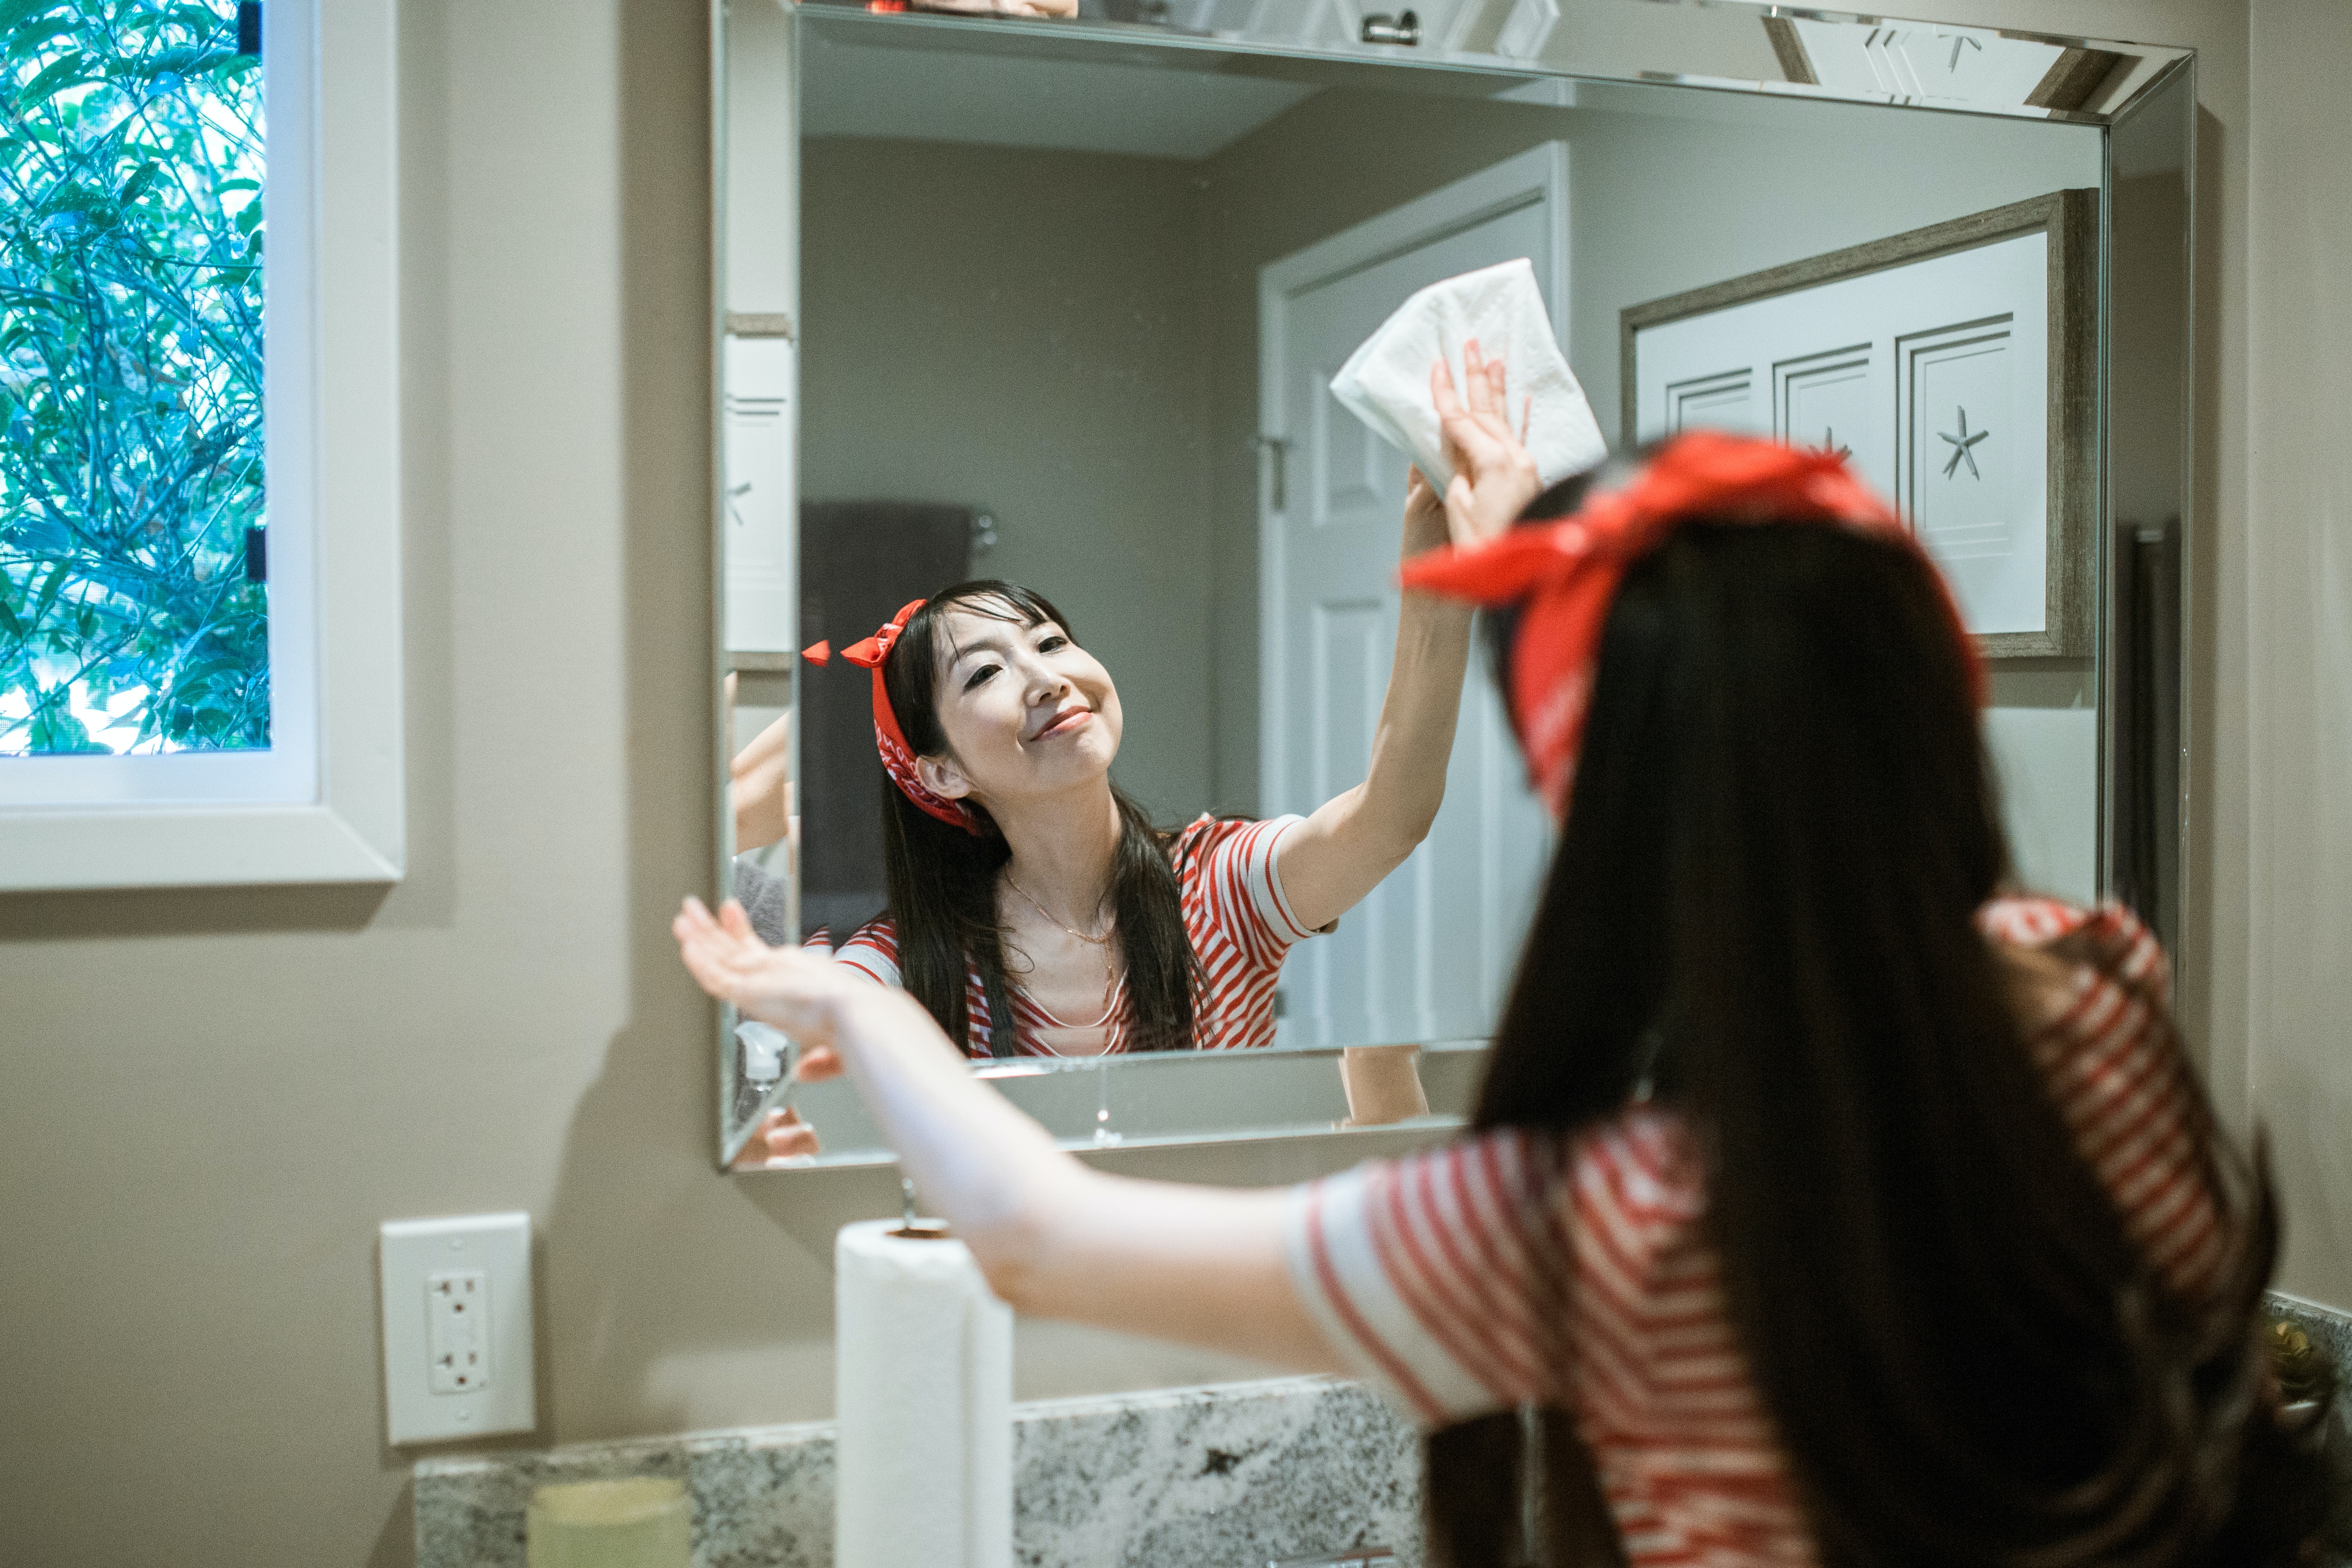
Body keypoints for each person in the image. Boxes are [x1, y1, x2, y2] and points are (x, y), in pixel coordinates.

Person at [678, 423, 2327, 1565]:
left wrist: (853, 1014)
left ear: (1599, 801)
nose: (1040, 680)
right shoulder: (2096, 990)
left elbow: (1033, 1235)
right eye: (984, 671)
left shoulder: (1570, 1228)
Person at [728, 345, 1539, 1163]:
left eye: (1050, 641)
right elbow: (767, 1064)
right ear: (942, 772)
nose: (1045, 677)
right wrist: (733, 835)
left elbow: (1392, 816)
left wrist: (1441, 577)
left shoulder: (1221, 890)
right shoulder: (912, 963)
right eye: (985, 672)